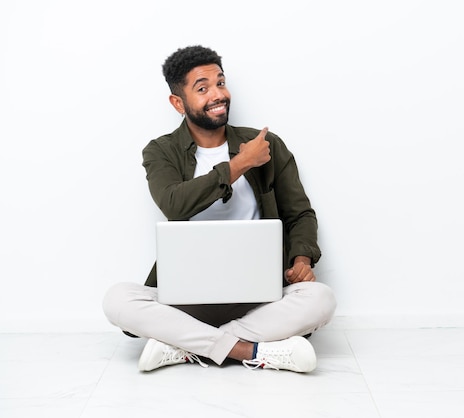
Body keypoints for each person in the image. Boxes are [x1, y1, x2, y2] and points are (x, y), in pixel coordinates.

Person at [102, 45, 336, 373]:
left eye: (221, 83)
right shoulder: (161, 152)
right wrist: (239, 164)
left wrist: (301, 260)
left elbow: (299, 214)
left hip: (260, 298)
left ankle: (185, 346)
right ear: (177, 103)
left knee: (321, 298)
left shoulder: (266, 146)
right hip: (187, 302)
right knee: (117, 299)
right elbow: (174, 204)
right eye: (203, 88)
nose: (218, 94)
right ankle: (252, 350)